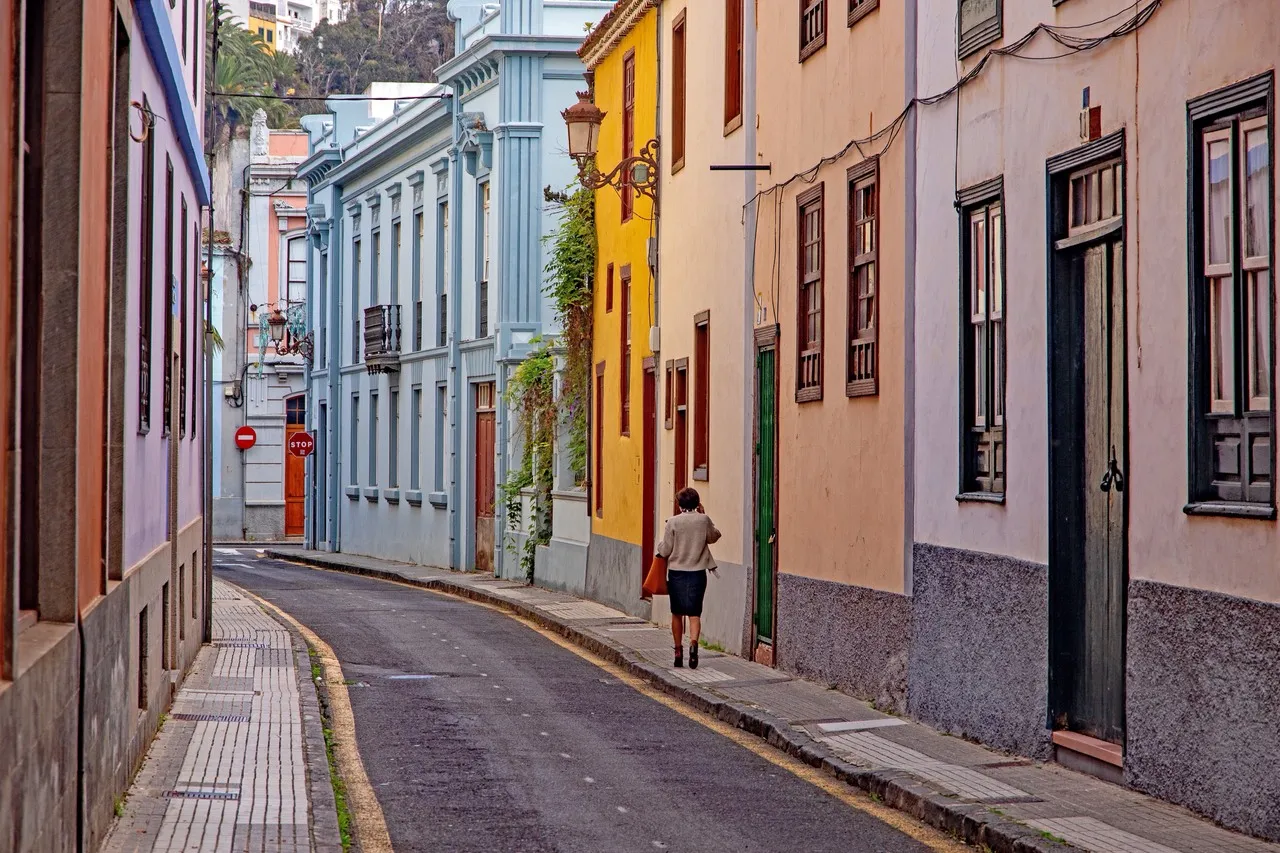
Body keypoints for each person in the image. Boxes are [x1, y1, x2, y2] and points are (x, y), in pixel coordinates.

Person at [655, 487, 721, 669]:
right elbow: (714, 537)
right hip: (697, 573)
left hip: (677, 573)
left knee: (676, 613)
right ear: (697, 503)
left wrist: (660, 547)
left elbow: (665, 550)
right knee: (694, 613)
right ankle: (693, 644)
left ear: (679, 505)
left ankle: (678, 651)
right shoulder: (703, 520)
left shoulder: (673, 522)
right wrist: (705, 516)